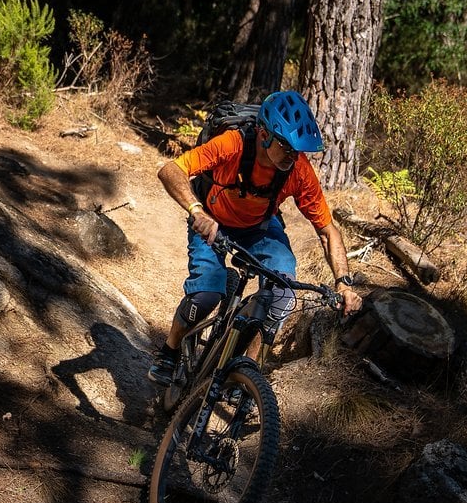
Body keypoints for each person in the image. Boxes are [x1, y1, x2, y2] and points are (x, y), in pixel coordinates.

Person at [148, 90, 363, 386]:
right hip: (211, 219)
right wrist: (196, 211)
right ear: (264, 133)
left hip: (260, 226)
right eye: (286, 146)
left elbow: (327, 231)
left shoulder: (298, 170)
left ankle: (245, 371)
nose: (292, 155)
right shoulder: (233, 144)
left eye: (297, 150)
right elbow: (171, 169)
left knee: (282, 296)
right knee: (207, 294)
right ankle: (170, 350)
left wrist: (344, 283)